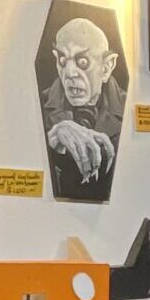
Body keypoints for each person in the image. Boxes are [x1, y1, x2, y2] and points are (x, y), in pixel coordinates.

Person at [40, 16, 126, 202]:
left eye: (82, 62)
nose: (69, 73)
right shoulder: (37, 105)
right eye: (63, 60)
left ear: (107, 67)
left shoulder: (129, 110)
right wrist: (52, 140)